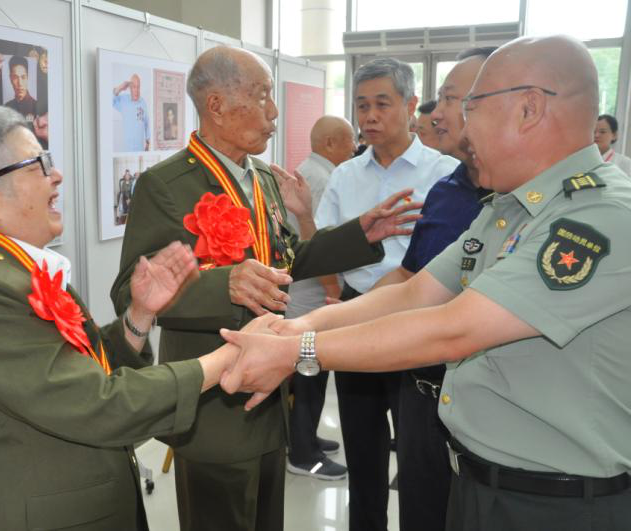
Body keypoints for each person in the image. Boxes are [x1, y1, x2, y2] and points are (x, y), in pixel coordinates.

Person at [221, 35, 631, 531]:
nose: (452, 124)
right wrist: (299, 327)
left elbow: (452, 329)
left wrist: (299, 352)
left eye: (471, 104)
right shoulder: (506, 207)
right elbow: (413, 291)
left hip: (556, 504)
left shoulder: (596, 217)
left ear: (529, 108)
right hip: (482, 485)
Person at [110, 45, 422, 531]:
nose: (273, 112)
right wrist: (222, 285)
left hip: (269, 395)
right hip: (211, 402)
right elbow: (131, 291)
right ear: (216, 106)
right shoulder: (166, 185)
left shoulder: (262, 178)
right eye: (261, 97)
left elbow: (287, 261)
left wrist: (361, 234)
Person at [0, 100, 257, 531]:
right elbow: (100, 404)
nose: (55, 175)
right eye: (38, 164)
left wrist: (138, 315)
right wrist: (227, 360)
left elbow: (81, 374)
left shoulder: (22, 271)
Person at [313, 57, 458, 531]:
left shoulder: (445, 173)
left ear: (411, 105)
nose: (370, 116)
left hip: (422, 321)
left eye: (382, 103)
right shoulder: (345, 176)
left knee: (421, 457)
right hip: (358, 316)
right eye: (361, 106)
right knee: (362, 452)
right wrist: (340, 298)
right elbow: (321, 248)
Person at [371, 46, 495, 531]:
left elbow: (453, 323)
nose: (435, 115)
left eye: (449, 99)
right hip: (420, 397)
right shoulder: (446, 189)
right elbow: (410, 278)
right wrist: (328, 322)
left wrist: (312, 342)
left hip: (480, 404)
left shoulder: (522, 203)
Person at [281, 115, 356, 481]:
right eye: (349, 141)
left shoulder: (306, 171)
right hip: (313, 294)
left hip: (300, 292)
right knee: (309, 371)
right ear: (330, 144)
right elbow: (319, 244)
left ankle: (305, 437)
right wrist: (333, 290)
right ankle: (303, 453)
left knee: (311, 372)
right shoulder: (324, 180)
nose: (355, 147)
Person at [113, 74, 151, 152]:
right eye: (134, 87)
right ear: (130, 88)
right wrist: (120, 88)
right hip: (128, 150)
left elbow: (146, 122)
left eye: (138, 87)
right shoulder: (123, 100)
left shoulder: (143, 102)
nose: (137, 90)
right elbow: (111, 100)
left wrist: (147, 143)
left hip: (141, 149)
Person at [5, 55, 38, 122]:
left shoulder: (36, 106)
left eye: (23, 77)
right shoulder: (6, 107)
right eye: (15, 77)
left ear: (27, 78)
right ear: (10, 79)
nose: (20, 83)